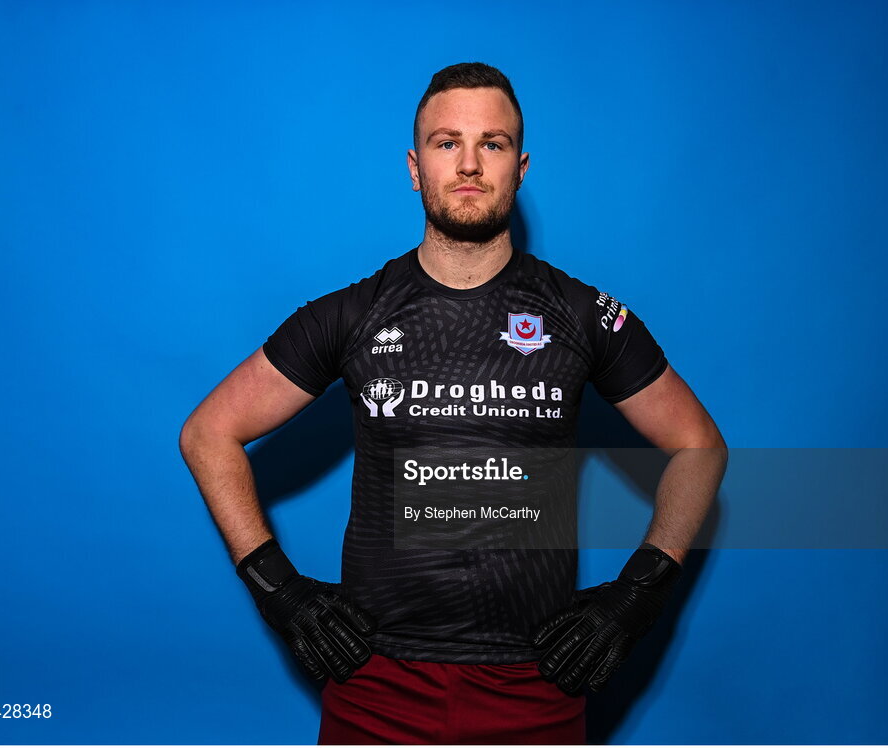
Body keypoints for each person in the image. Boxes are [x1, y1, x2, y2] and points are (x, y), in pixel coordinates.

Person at [179, 62, 727, 744]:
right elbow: (208, 433)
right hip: (376, 684)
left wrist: (639, 594)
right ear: (415, 167)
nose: (468, 164)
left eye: (490, 144)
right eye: (447, 143)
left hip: (535, 683)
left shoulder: (585, 315)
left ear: (519, 167)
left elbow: (699, 446)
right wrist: (278, 591)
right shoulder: (349, 315)